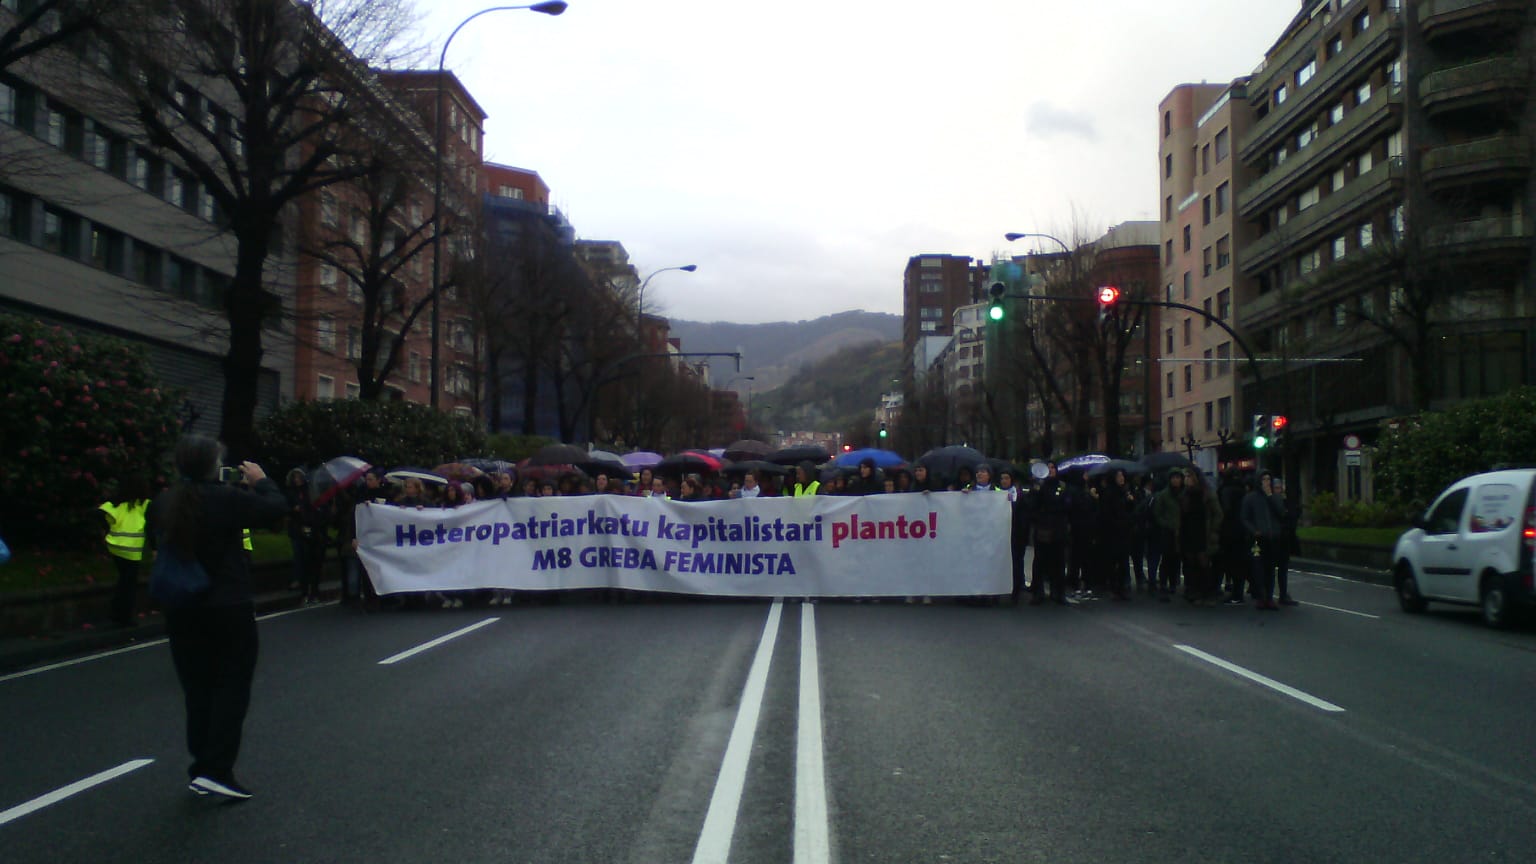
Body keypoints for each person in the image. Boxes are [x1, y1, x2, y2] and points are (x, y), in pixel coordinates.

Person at [146, 435, 286, 801]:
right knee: (231, 686)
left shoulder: (163, 501)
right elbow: (275, 507)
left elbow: (153, 540)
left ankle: (201, 765)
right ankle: (217, 769)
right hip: (227, 604)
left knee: (198, 688)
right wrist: (261, 481)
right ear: (214, 465)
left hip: (181, 606)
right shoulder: (225, 499)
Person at [101, 477, 153, 628]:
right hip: (132, 550)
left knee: (124, 581)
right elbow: (150, 529)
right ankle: (123, 616)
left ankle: (117, 612)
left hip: (115, 547)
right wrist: (155, 548)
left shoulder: (117, 504)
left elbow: (101, 514)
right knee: (128, 584)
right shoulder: (144, 505)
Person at [1242, 472, 1286, 610]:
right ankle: (1261, 596)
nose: (1266, 482)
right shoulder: (1251, 498)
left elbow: (1281, 513)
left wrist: (1270, 496)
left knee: (1270, 568)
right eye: (1264, 479)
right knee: (1258, 567)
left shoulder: (1275, 497)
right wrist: (1253, 530)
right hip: (1257, 539)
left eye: (1269, 479)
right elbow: (1245, 517)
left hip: (1272, 538)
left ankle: (1269, 597)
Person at [1180, 470, 1224, 605]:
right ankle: (1195, 591)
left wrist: (1213, 530)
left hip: (1203, 532)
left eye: (1189, 476)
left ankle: (1208, 593)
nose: (1187, 479)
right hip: (1188, 532)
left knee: (1204, 563)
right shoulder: (1185, 494)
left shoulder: (1207, 493)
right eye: (1186, 477)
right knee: (1191, 563)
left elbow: (1218, 514)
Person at [1028, 462, 1070, 605]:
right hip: (1043, 529)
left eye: (1053, 468)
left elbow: (1067, 505)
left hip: (1059, 529)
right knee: (1040, 561)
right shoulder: (1038, 486)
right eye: (1048, 467)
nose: (1051, 470)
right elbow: (1032, 506)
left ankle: (1058, 592)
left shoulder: (1062, 486)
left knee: (1058, 562)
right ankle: (1038, 592)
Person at [1150, 470, 1185, 602]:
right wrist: (1166, 524)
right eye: (1174, 478)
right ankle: (1164, 583)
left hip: (1180, 531)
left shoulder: (1183, 494)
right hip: (1167, 531)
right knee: (1166, 558)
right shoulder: (1164, 495)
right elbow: (1157, 514)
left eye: (1178, 478)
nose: (1176, 480)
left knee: (1177, 559)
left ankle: (1173, 582)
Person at [1274, 477, 1300, 606]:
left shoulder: (1285, 503)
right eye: (1276, 488)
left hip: (1283, 539)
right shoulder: (1272, 502)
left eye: (1279, 488)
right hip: (1274, 539)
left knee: (1283, 568)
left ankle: (1283, 594)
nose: (1278, 491)